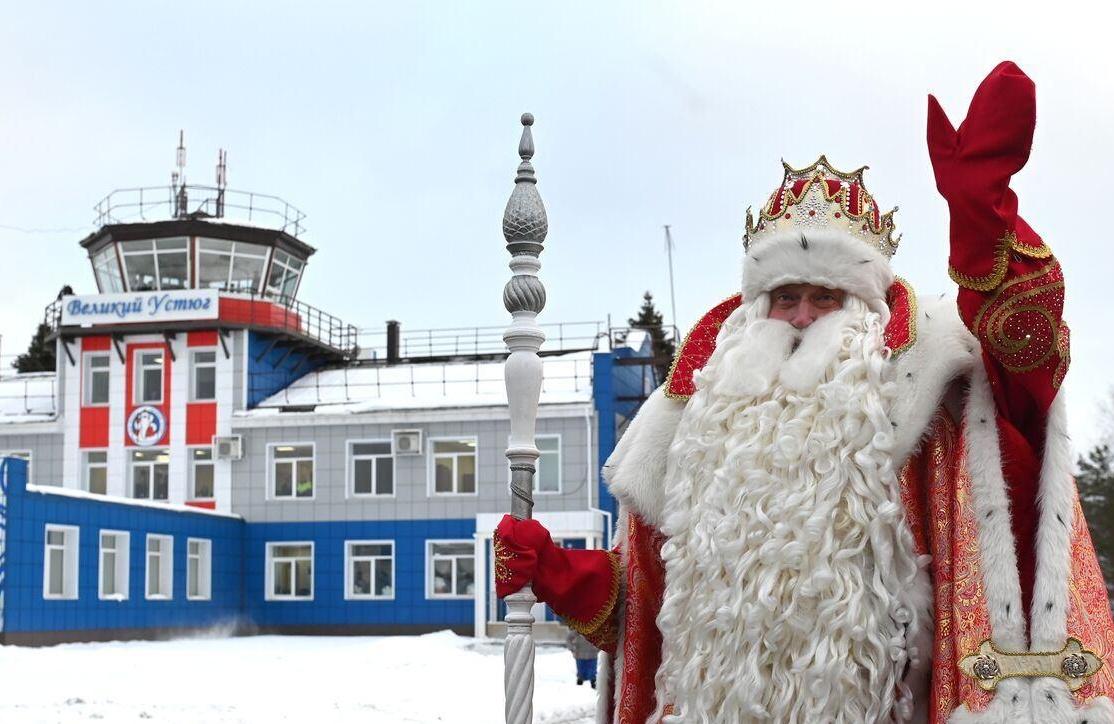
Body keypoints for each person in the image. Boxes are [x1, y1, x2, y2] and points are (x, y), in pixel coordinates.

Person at [494, 62, 1114, 723]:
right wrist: (560, 573)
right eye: (785, 296)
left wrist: (984, 225)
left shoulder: (933, 392)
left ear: (866, 309)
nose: (800, 316)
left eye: (825, 297)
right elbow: (649, 608)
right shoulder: (699, 423)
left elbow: (1028, 371)